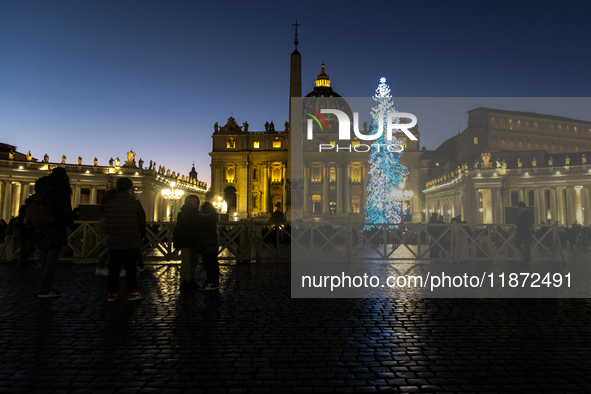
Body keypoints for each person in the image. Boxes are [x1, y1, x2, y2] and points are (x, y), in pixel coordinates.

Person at [103, 178, 146, 301]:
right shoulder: (136, 204)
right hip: (132, 242)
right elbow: (142, 222)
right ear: (129, 189)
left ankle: (112, 293)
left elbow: (108, 221)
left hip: (115, 241)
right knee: (131, 268)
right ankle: (132, 292)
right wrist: (142, 236)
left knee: (114, 268)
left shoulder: (109, 204)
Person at [33, 167, 73, 298]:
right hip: (55, 225)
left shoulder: (40, 187)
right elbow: (66, 210)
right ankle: (45, 289)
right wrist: (72, 226)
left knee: (44, 256)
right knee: (52, 258)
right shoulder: (62, 188)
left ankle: (43, 286)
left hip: (40, 225)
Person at [174, 195, 202, 290]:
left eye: (196, 201)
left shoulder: (199, 214)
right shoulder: (181, 214)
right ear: (188, 202)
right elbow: (179, 230)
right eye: (193, 201)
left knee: (194, 262)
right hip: (186, 242)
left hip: (195, 242)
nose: (195, 203)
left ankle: (192, 279)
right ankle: (184, 281)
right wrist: (177, 244)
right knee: (186, 263)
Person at [197, 202, 220, 290]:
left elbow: (202, 232)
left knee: (208, 264)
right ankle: (215, 281)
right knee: (214, 263)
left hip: (207, 245)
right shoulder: (212, 218)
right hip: (213, 244)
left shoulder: (205, 219)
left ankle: (211, 281)